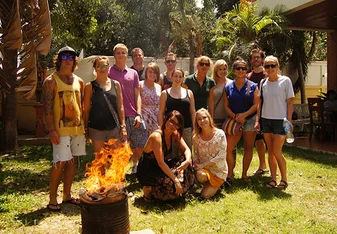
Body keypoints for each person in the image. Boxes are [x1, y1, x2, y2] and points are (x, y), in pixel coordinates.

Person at [42, 46, 86, 211]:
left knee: (73, 162)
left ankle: (67, 195)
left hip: (77, 129)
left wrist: (85, 129)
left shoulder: (79, 81)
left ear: (75, 60)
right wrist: (51, 130)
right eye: (64, 57)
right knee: (58, 163)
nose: (68, 60)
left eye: (71, 57)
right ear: (59, 59)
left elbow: (81, 106)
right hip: (60, 130)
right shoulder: (51, 81)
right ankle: (53, 198)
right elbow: (46, 108)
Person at [136, 110, 194, 201]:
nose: (173, 126)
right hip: (148, 170)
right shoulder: (156, 136)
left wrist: (187, 161)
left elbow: (187, 149)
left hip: (161, 167)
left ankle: (176, 186)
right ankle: (149, 189)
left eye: (177, 125)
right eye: (171, 121)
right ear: (166, 119)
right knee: (170, 183)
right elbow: (161, 163)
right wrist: (175, 180)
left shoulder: (174, 134)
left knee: (187, 161)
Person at [255, 56, 294, 189]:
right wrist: (257, 121)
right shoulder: (263, 83)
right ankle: (273, 179)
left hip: (280, 121)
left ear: (277, 66)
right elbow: (259, 103)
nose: (270, 68)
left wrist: (289, 121)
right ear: (264, 68)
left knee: (277, 151)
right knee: (270, 151)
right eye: (267, 66)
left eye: (272, 65)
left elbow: (290, 103)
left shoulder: (285, 81)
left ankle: (284, 179)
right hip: (266, 120)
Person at [108, 43, 148, 174]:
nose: (120, 55)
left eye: (123, 53)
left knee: (140, 144)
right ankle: (119, 174)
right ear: (114, 55)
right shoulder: (109, 72)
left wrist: (139, 114)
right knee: (120, 147)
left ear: (126, 56)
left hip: (133, 114)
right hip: (116, 116)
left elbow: (138, 95)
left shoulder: (133, 73)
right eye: (118, 53)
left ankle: (135, 165)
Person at [224, 57, 258, 184]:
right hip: (234, 121)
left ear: (247, 70)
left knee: (248, 148)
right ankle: (230, 173)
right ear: (234, 70)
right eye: (238, 68)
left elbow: (256, 104)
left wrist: (244, 115)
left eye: (243, 68)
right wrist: (235, 116)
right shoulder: (228, 87)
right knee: (228, 148)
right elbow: (226, 105)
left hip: (249, 119)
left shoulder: (253, 86)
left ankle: (244, 174)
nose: (241, 70)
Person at [83, 56, 127, 154]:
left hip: (114, 128)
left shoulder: (116, 84)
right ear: (95, 68)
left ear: (108, 67)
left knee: (114, 159)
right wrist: (85, 129)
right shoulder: (89, 86)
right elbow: (86, 110)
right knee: (100, 161)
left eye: (105, 66)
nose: (102, 69)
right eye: (99, 66)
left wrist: (123, 127)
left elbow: (120, 107)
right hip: (96, 129)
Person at [193, 108, 228, 199]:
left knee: (204, 196)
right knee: (200, 176)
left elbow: (221, 156)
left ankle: (217, 185)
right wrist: (196, 166)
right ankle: (207, 184)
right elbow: (196, 154)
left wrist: (203, 164)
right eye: (199, 119)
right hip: (204, 170)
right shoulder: (196, 138)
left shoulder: (220, 134)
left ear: (209, 118)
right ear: (197, 122)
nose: (202, 121)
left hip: (218, 171)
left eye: (204, 118)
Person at [159, 68, 196, 149]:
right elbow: (161, 112)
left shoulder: (189, 93)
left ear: (183, 78)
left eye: (180, 76)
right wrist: (161, 128)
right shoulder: (165, 93)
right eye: (175, 76)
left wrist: (194, 128)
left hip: (186, 128)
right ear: (171, 77)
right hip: (171, 129)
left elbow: (193, 112)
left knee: (187, 153)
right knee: (171, 155)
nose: (178, 79)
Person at [248, 48, 268, 175]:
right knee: (258, 140)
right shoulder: (248, 76)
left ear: (262, 59)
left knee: (270, 141)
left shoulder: (267, 75)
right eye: (253, 57)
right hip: (253, 113)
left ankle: (272, 166)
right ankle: (262, 165)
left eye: (258, 57)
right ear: (251, 60)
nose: (255, 59)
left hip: (267, 112)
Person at [209, 59, 233, 128]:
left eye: (224, 69)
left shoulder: (231, 83)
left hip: (228, 118)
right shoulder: (211, 83)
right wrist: (211, 119)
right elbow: (210, 101)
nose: (223, 71)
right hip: (215, 118)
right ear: (216, 71)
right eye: (220, 69)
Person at [140, 62, 162, 135]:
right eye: (150, 72)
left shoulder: (159, 87)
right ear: (146, 73)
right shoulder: (140, 84)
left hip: (156, 116)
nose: (152, 74)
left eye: (154, 72)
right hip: (144, 116)